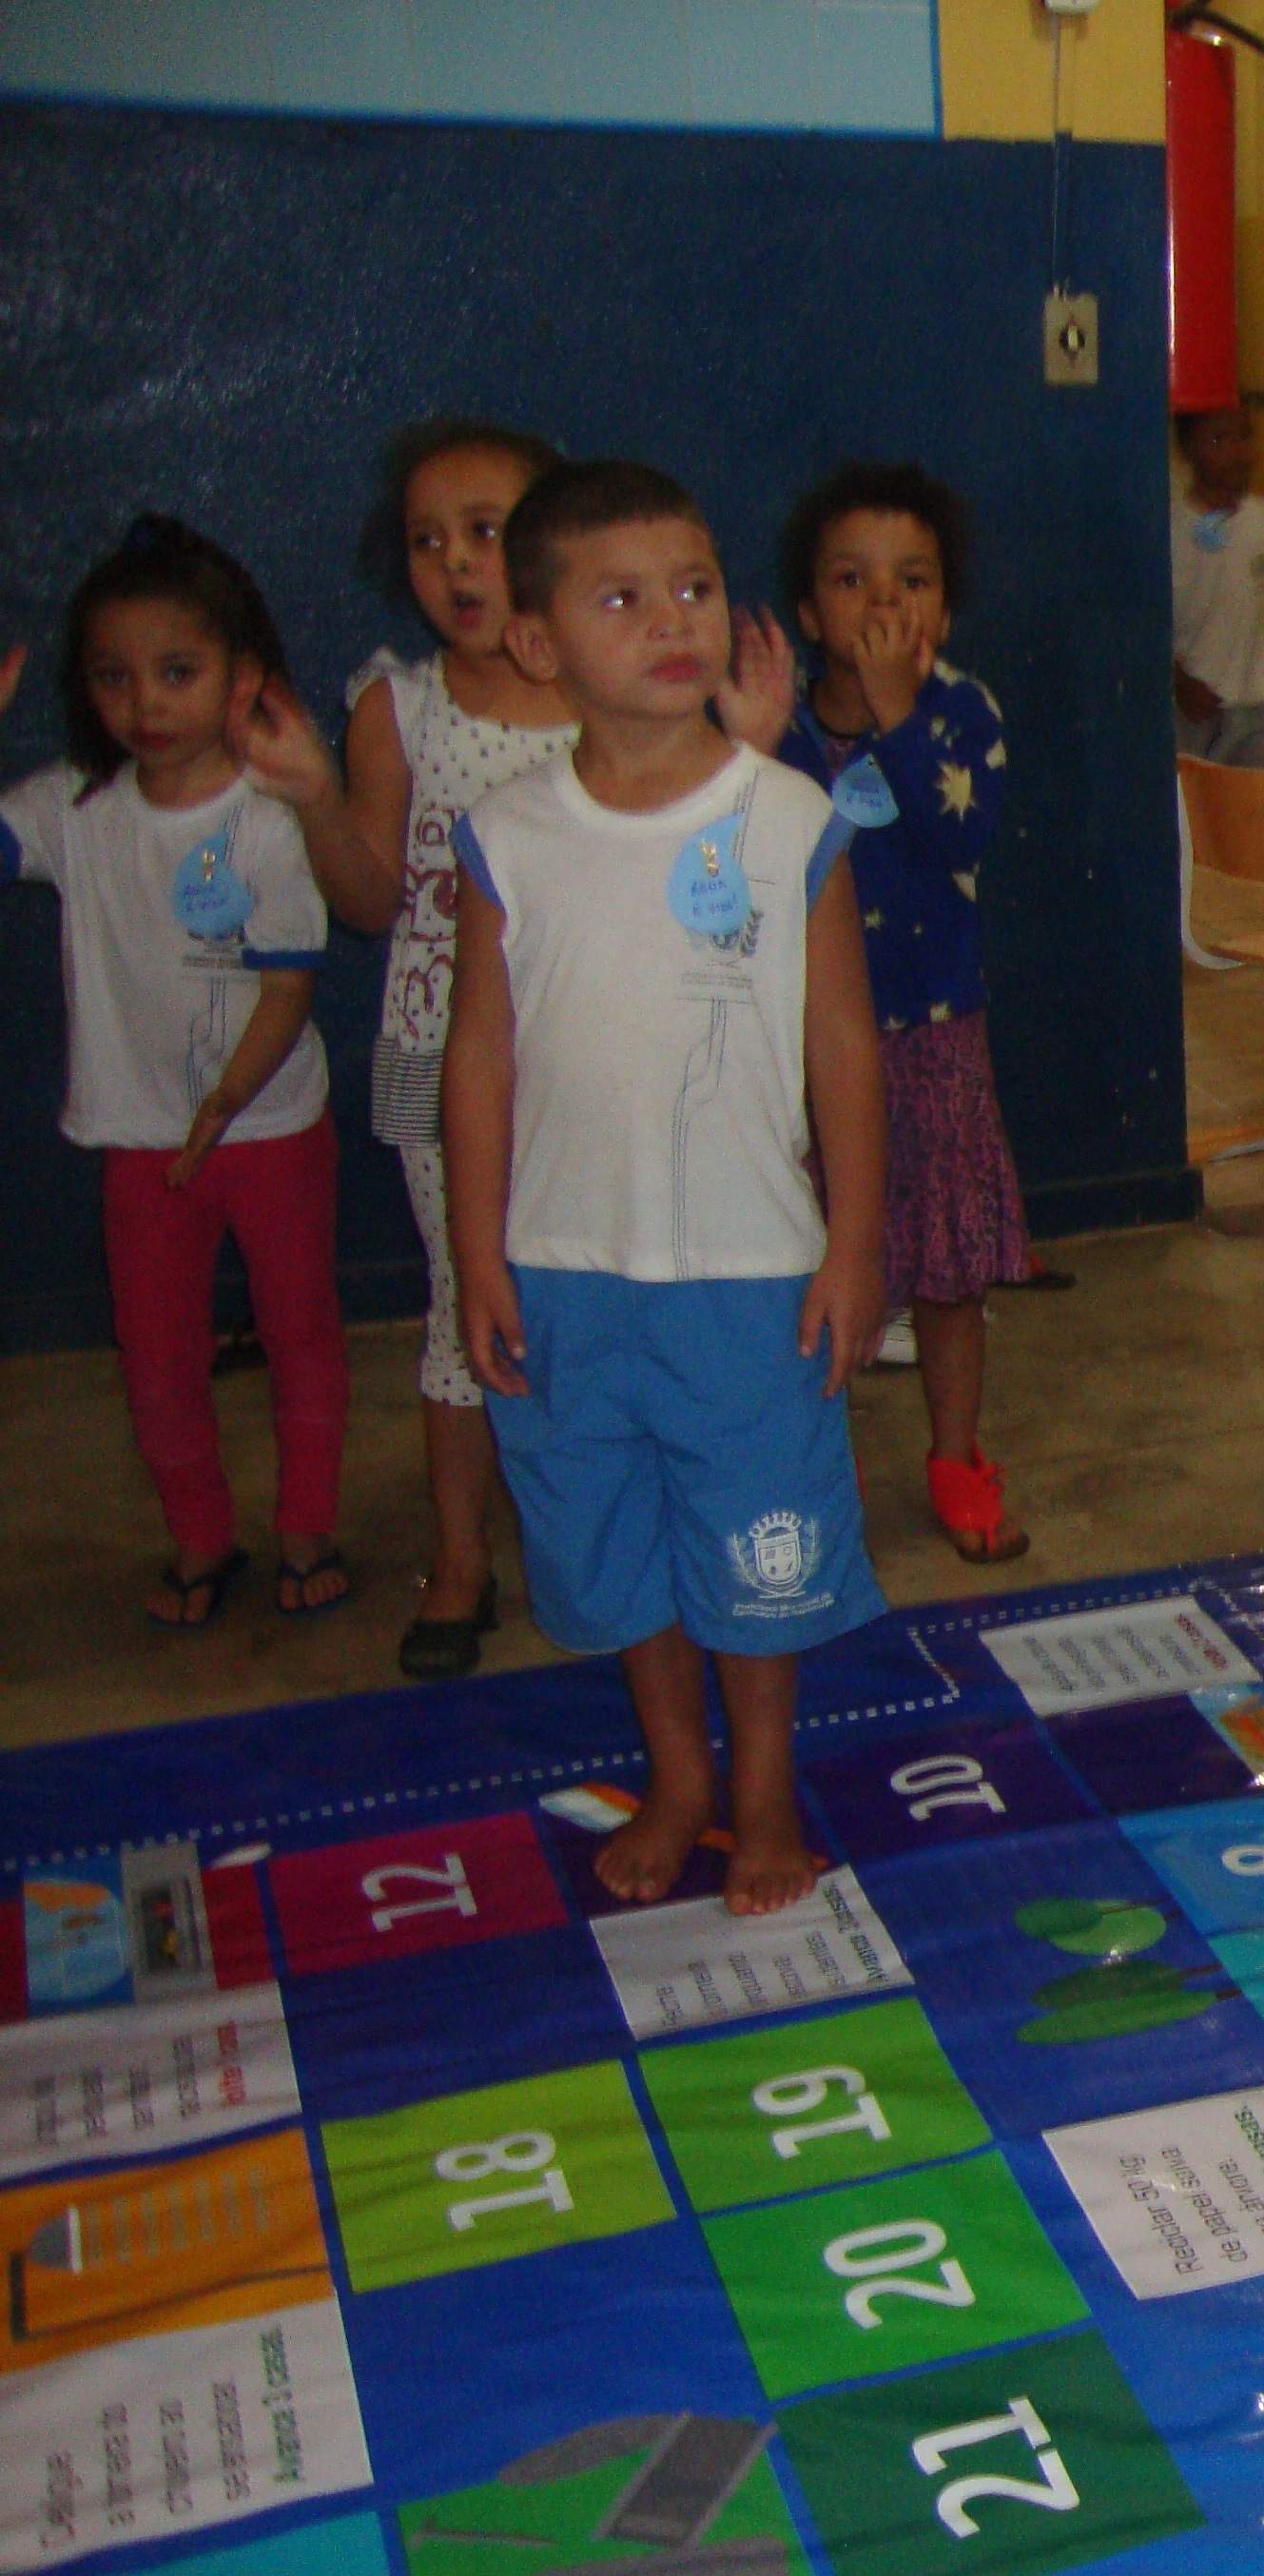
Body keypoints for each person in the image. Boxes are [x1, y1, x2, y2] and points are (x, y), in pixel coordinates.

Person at [442, 459, 885, 1912]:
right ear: (538, 642)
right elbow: (480, 1064)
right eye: (620, 598)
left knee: (756, 1554)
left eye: (693, 586)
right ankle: (676, 1775)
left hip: (749, 1267)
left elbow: (843, 1050)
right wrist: (480, 1258)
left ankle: (760, 1793)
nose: (671, 621)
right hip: (568, 1268)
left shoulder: (784, 820)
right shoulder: (506, 839)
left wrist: (853, 1248)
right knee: (620, 1547)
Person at [230, 418, 574, 1675]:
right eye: (430, 541)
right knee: (463, 1312)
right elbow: (372, 900)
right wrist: (317, 796)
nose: (458, 564)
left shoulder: (608, 685)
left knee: (591, 1309)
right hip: (445, 1069)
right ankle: (461, 1556)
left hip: (591, 1067)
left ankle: (587, 1538)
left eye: (487, 531)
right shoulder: (399, 705)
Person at [3, 521, 347, 1628]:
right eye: (113, 676)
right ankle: (202, 1538)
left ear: (243, 679)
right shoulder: (73, 809)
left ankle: (306, 1527)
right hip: (139, 1143)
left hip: (271, 1129)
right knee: (157, 1361)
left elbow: (289, 986)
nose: (145, 701)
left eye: (177, 671)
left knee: (299, 1331)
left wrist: (220, 1107)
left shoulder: (267, 814)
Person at [749, 460, 1033, 1564]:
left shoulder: (962, 715)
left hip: (932, 1031)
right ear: (810, 610)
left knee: (952, 1268)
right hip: (800, 1044)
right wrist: (749, 738)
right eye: (852, 580)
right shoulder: (768, 729)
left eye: (911, 580)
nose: (882, 604)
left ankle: (959, 1459)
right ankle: (812, 1478)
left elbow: (957, 839)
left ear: (943, 609)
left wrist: (899, 714)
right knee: (802, 1265)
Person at [1170, 400, 1264, 767]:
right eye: (1219, 440)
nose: (1238, 453)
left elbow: (1262, 612)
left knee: (1257, 807)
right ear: (1187, 450)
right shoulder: (1171, 530)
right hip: (1197, 708)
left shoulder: (1263, 519)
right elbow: (1146, 624)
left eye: (1245, 437)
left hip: (1259, 703)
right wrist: (1178, 682)